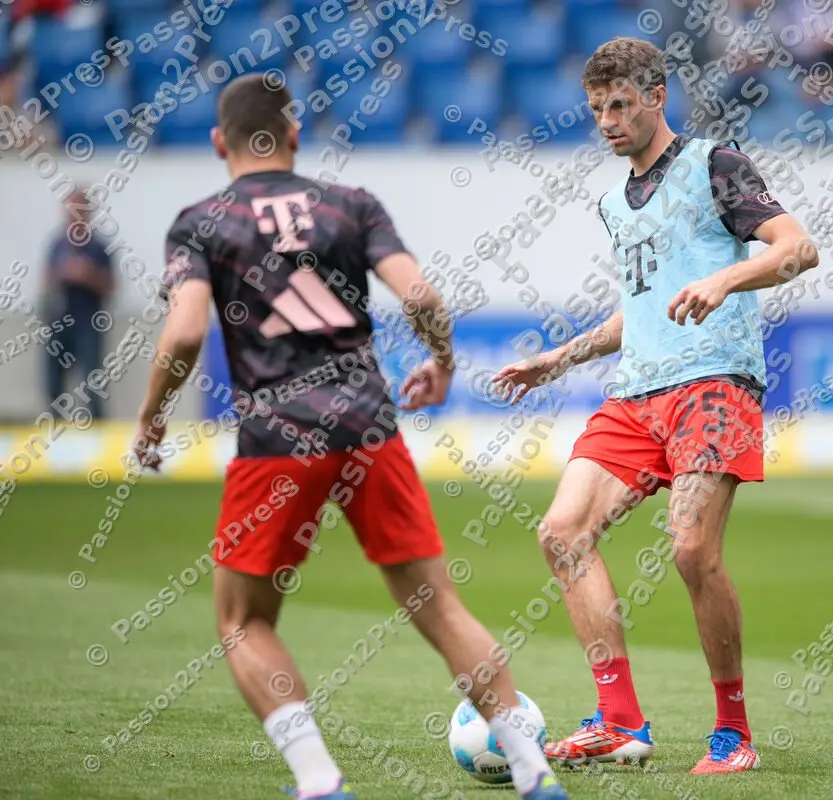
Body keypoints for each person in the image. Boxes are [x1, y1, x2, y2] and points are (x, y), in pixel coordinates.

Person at [130, 74, 567, 800]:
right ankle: (533, 770)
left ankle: (320, 782)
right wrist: (443, 364)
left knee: (242, 622)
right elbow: (422, 296)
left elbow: (181, 332)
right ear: (294, 135)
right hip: (369, 424)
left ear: (218, 142)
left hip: (277, 437)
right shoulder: (351, 203)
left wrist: (151, 413)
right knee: (440, 605)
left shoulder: (200, 220)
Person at [493, 37, 819, 775]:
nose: (607, 121)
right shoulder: (614, 202)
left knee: (692, 549)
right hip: (637, 395)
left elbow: (799, 248)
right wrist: (559, 358)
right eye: (596, 109)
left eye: (620, 105)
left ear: (656, 97)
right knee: (562, 531)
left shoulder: (715, 165)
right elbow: (637, 312)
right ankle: (620, 721)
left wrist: (725, 282)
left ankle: (733, 735)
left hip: (714, 386)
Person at [43, 190, 113, 417]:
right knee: (53, 384)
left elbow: (112, 287)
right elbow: (46, 281)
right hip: (59, 322)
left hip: (88, 324)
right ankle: (52, 432)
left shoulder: (99, 247)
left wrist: (87, 274)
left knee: (92, 383)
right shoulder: (57, 244)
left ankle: (98, 434)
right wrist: (62, 274)